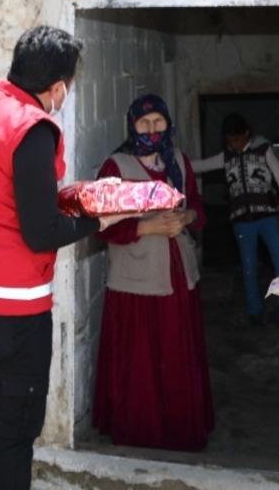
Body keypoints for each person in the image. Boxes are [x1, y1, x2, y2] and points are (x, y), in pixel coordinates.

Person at [0, 25, 128, 490]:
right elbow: (41, 232)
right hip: (10, 312)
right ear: (58, 87)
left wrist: (71, 196)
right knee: (13, 430)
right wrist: (99, 221)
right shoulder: (33, 129)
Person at [91, 94, 215, 451]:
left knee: (176, 355)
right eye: (144, 123)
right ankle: (141, 432)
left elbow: (197, 206)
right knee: (142, 361)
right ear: (132, 125)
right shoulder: (116, 168)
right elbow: (101, 225)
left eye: (158, 122)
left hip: (178, 277)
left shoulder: (177, 161)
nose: (151, 130)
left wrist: (187, 218)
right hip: (137, 282)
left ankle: (179, 430)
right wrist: (148, 228)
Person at [190, 113, 279, 340]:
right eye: (230, 142)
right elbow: (199, 166)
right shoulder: (226, 157)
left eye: (238, 140)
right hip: (242, 223)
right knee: (249, 267)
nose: (235, 145)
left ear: (247, 135)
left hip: (269, 218)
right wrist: (174, 163)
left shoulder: (263, 150)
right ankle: (254, 313)